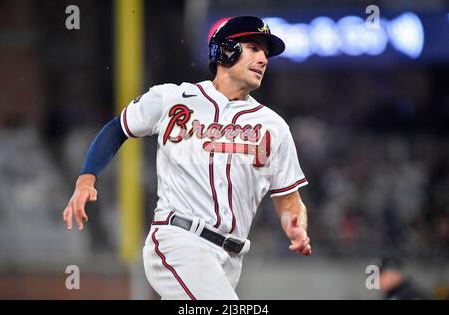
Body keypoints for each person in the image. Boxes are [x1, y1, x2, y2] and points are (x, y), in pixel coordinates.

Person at [63, 16, 311, 299]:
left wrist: (297, 226)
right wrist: (86, 178)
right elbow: (116, 128)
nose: (264, 59)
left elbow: (289, 200)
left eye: (266, 53)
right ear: (225, 50)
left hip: (230, 257)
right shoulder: (173, 98)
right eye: (254, 48)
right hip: (178, 239)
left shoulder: (273, 126)